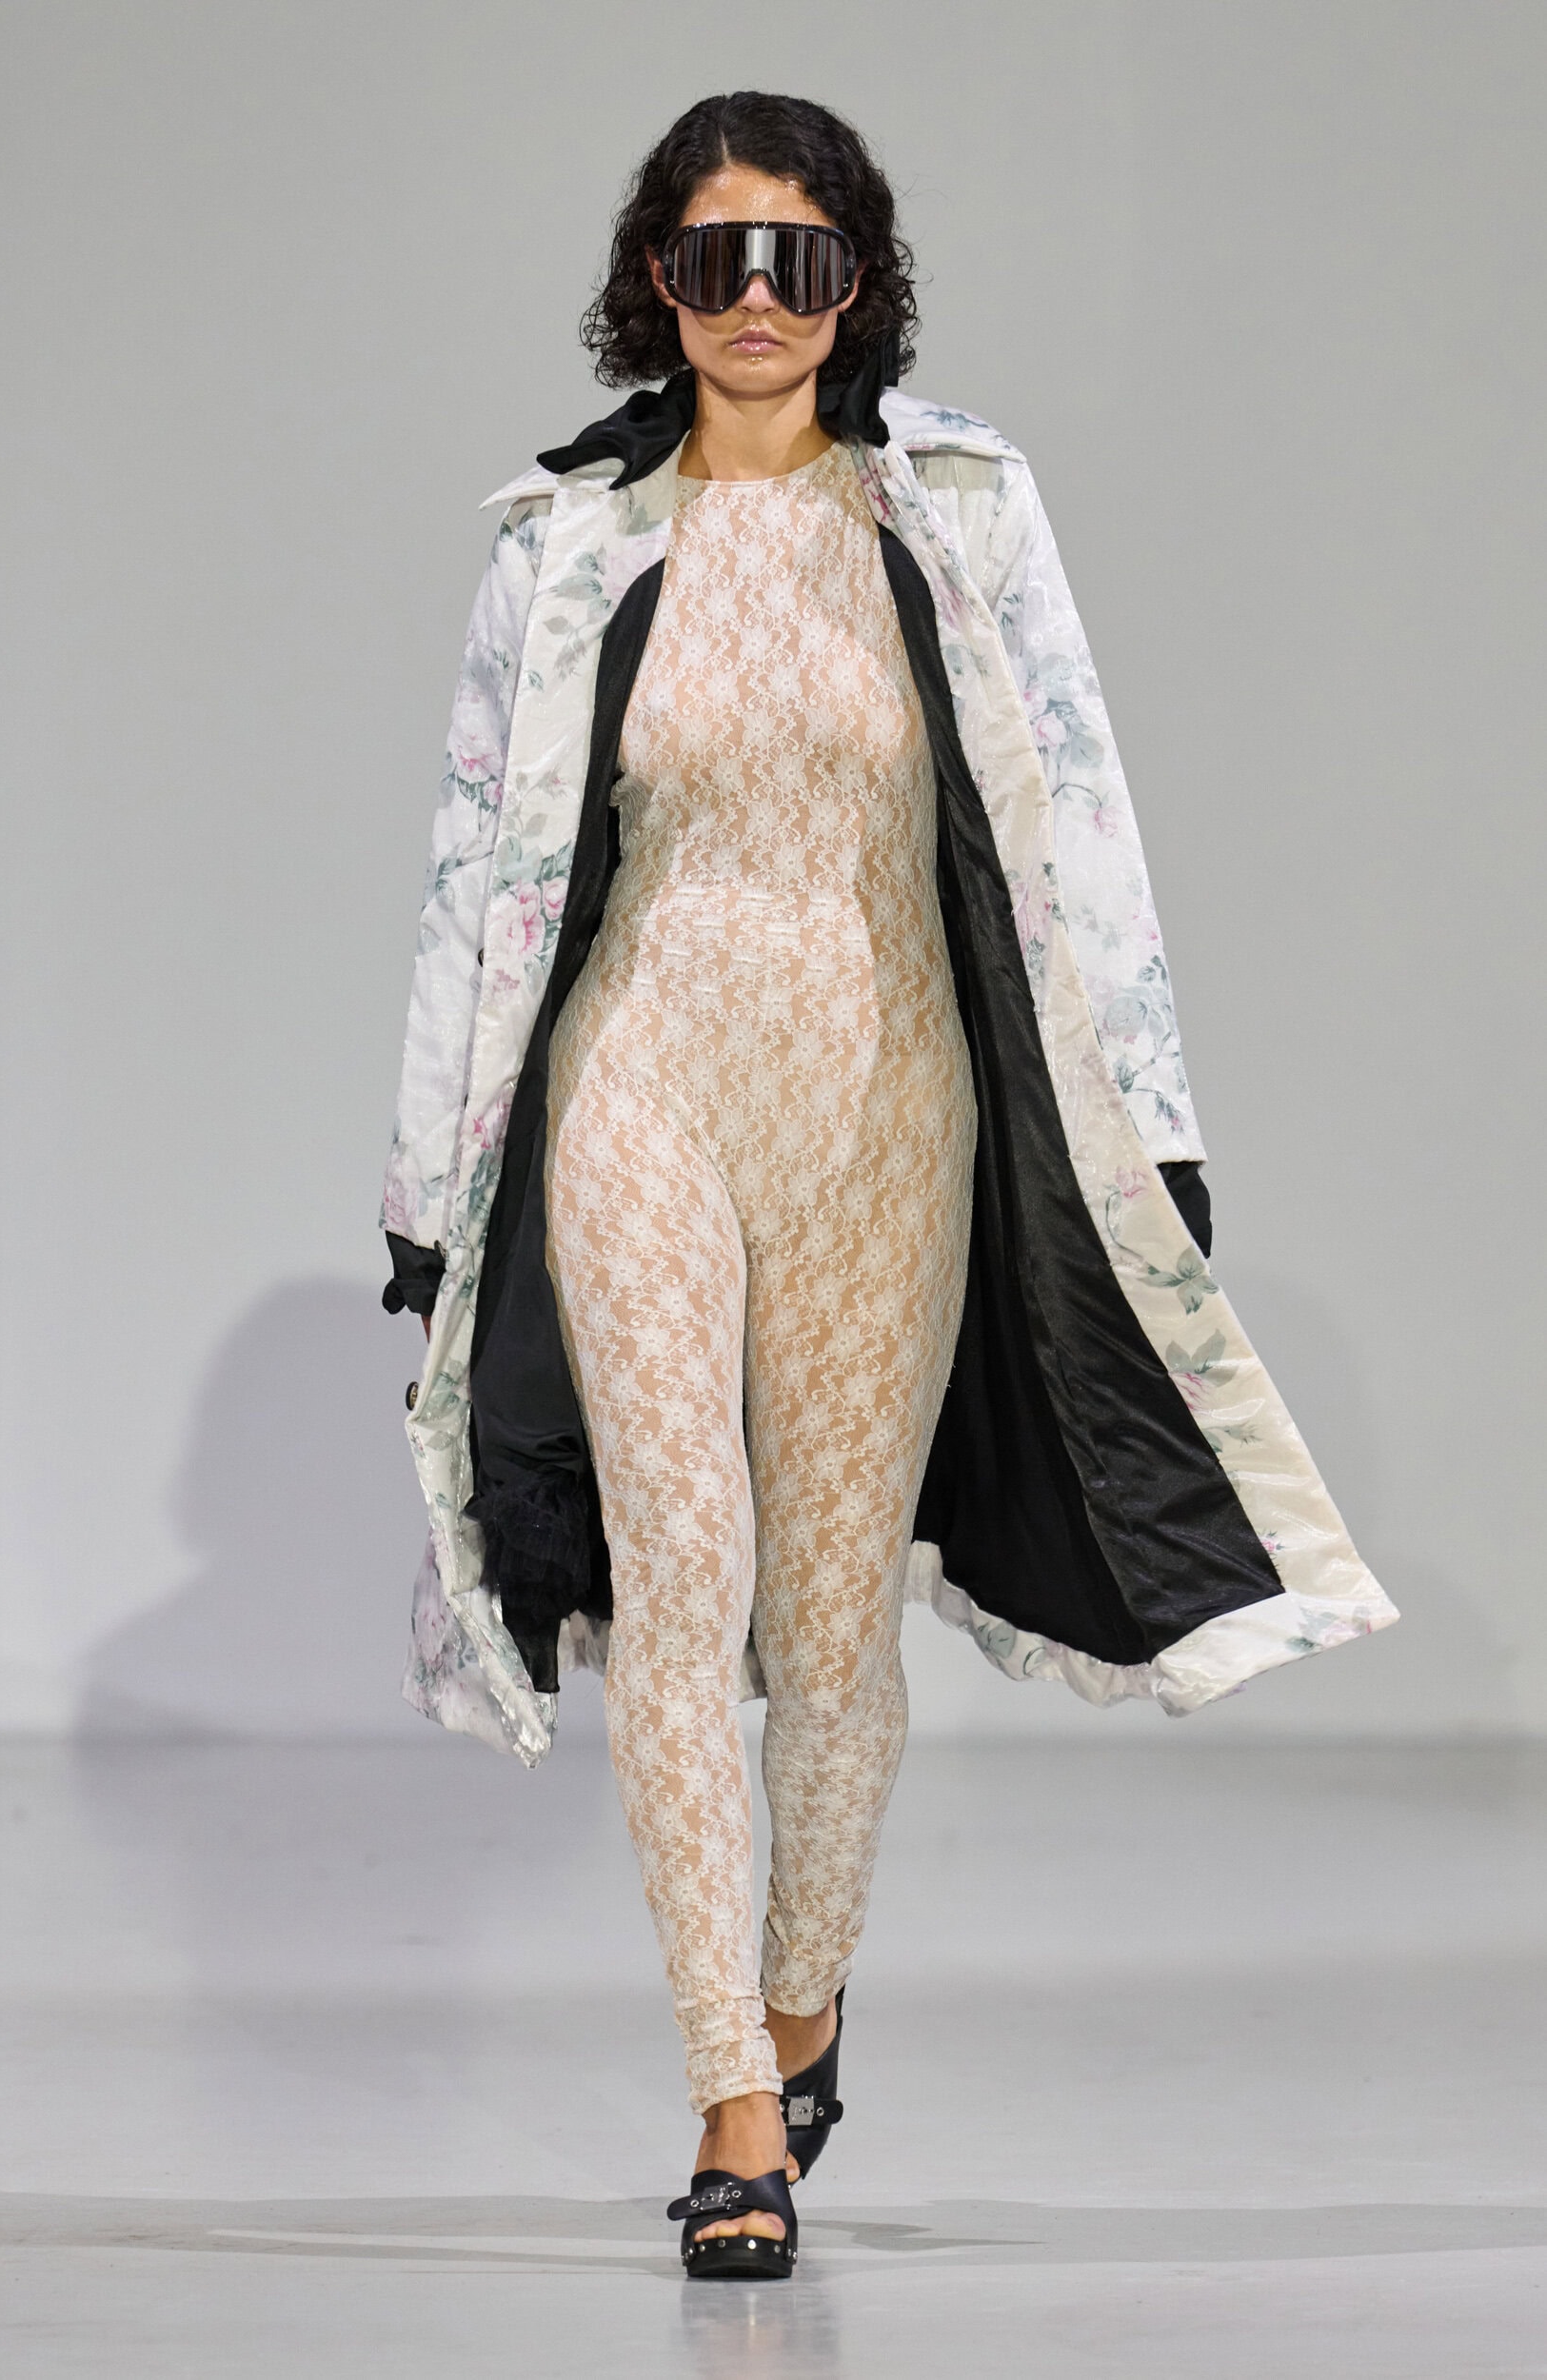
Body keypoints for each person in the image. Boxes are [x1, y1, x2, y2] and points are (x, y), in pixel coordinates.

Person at [381, 91, 1396, 2281]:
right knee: (684, 1577)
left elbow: (1080, 816)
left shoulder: (959, 511)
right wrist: (421, 1175)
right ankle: (733, 2102)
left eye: (802, 258)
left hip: (887, 1106)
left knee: (832, 1624)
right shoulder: (566, 543)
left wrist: (1154, 1119)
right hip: (641, 1084)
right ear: (655, 283)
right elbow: (481, 864)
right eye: (714, 258)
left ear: (861, 283)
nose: (757, 301)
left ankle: (806, 1989)